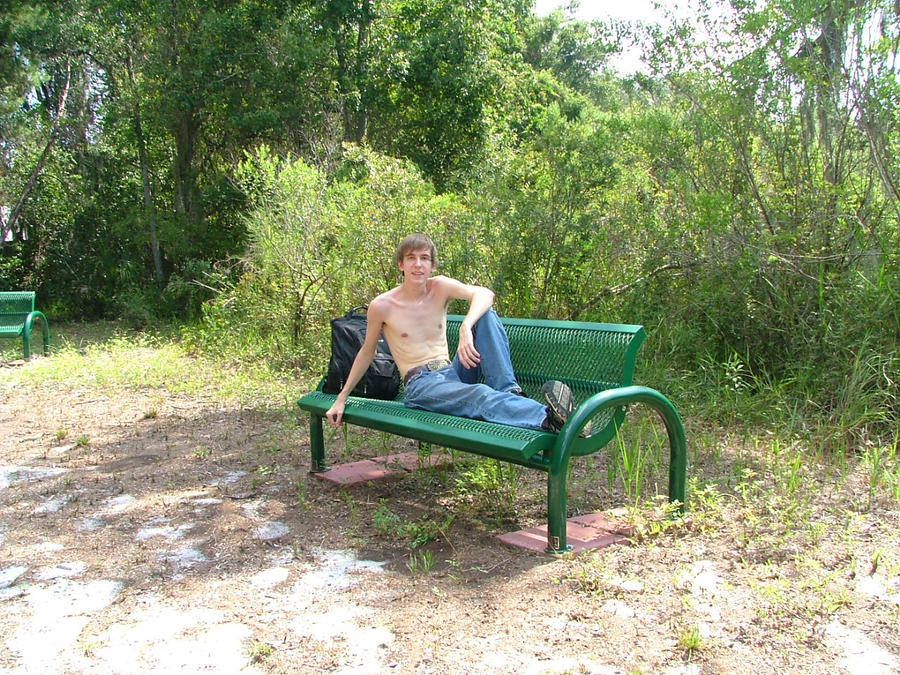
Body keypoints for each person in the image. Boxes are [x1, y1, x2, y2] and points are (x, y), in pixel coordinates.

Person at [324, 233, 576, 432]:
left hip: (453, 372)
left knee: (485, 315)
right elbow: (367, 352)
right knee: (479, 394)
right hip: (422, 384)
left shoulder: (440, 287)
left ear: (432, 265)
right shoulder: (383, 305)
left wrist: (466, 327)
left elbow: (485, 294)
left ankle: (509, 391)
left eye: (424, 258)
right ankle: (549, 419)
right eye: (411, 258)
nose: (418, 264)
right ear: (401, 264)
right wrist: (342, 397)